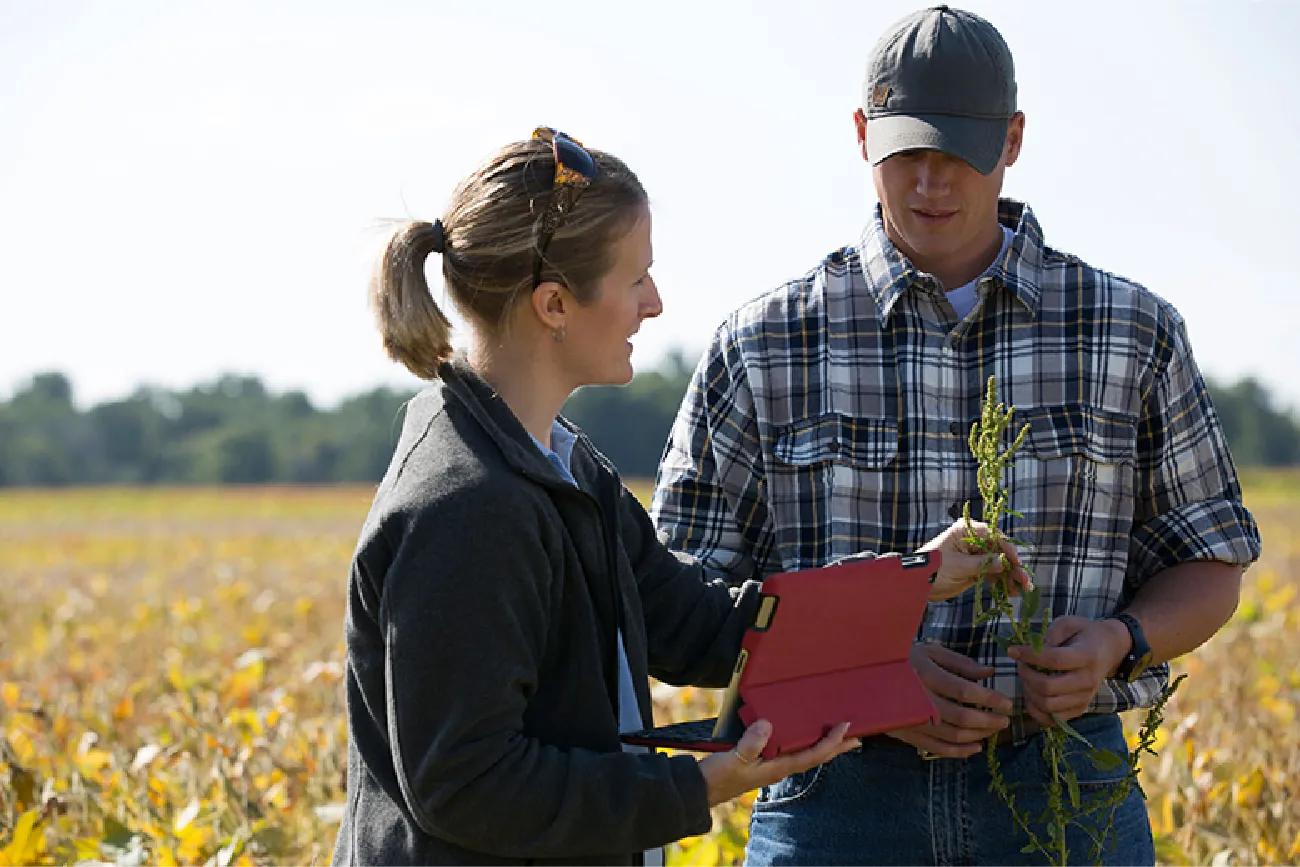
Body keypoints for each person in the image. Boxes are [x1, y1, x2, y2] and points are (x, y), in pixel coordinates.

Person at [650, 7, 1263, 866]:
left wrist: (1117, 641)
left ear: (1012, 140)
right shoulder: (763, 342)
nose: (931, 182)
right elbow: (683, 593)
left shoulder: (1131, 330)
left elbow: (1210, 563)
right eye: (906, 152)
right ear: (862, 134)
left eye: (958, 153)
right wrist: (869, 677)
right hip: (836, 791)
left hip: (1067, 785)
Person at [330, 127, 1025, 866]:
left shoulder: (559, 464)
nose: (654, 304)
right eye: (636, 279)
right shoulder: (466, 504)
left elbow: (695, 622)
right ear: (555, 304)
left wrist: (910, 578)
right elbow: (466, 784)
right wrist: (695, 784)